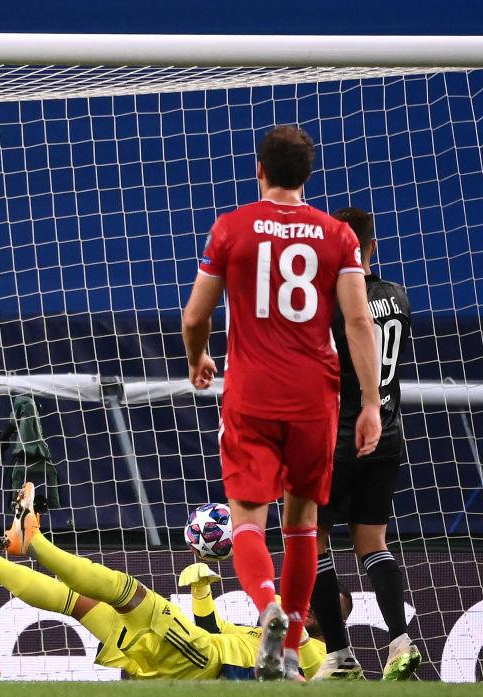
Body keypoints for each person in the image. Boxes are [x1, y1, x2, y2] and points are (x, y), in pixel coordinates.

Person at [181, 125, 382, 680]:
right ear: (308, 175)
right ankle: (292, 647)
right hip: (316, 397)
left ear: (259, 170)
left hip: (252, 393)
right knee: (303, 524)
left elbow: (195, 316)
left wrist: (198, 357)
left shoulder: (232, 229)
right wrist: (369, 403)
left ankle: (265, 600)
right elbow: (359, 320)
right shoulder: (337, 236)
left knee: (248, 520)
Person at [0, 483, 355, 680]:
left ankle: (33, 540)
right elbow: (214, 626)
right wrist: (202, 589)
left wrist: (253, 552)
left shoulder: (316, 655)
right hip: (196, 652)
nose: (305, 610)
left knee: (123, 587)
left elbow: (285, 611)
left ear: (323, 624)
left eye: (317, 610)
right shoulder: (264, 638)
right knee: (75, 602)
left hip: (201, 661)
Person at [309, 208, 419, 681]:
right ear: (373, 245)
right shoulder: (398, 297)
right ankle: (400, 641)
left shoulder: (333, 304)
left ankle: (340, 656)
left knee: (310, 541)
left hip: (339, 437)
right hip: (388, 434)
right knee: (373, 543)